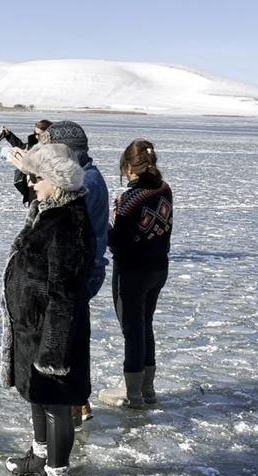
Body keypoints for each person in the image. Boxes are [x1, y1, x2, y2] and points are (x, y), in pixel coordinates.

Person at [0, 144, 95, 476]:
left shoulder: (66, 223)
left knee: (55, 403)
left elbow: (64, 293)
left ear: (56, 181)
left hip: (53, 333)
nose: (31, 184)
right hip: (33, 328)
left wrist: (52, 352)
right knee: (37, 396)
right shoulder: (49, 210)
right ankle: (40, 460)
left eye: (37, 178)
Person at [39, 121, 110, 427]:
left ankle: (71, 409)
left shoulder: (86, 182)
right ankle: (77, 404)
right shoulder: (89, 176)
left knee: (66, 341)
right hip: (83, 271)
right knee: (72, 338)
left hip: (79, 274)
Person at [98, 139, 172, 409]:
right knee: (145, 324)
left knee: (132, 329)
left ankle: (133, 393)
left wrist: (102, 224)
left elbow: (120, 242)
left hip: (133, 272)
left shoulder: (130, 200)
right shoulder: (165, 189)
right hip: (159, 268)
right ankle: (147, 388)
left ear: (128, 167)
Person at [0, 119, 52, 204]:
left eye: (39, 134)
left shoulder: (52, 150)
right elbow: (21, 146)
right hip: (30, 189)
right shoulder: (33, 144)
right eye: (35, 133)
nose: (36, 136)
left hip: (43, 191)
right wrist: (8, 135)